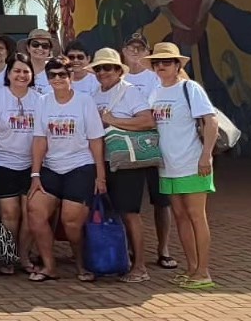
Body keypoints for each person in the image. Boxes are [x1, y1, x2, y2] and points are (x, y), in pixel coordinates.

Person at [145, 42, 219, 289]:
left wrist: (206, 156)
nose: (161, 66)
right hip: (167, 165)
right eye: (157, 63)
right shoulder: (155, 93)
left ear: (178, 65)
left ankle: (204, 272)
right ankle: (191, 270)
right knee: (179, 217)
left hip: (192, 162)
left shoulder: (190, 88)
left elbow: (211, 122)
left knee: (197, 216)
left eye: (167, 62)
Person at [27, 57, 106, 282]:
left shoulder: (84, 101)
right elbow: (40, 140)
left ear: (71, 75)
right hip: (51, 167)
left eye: (62, 74)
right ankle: (49, 266)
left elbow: (95, 140)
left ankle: (81, 263)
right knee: (35, 212)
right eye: (52, 75)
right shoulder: (43, 102)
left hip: (80, 166)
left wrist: (100, 175)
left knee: (71, 222)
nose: (58, 79)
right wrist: (35, 175)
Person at [90, 47, 157, 283]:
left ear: (119, 70)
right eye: (98, 69)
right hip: (102, 162)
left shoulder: (129, 92)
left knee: (130, 213)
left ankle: (140, 266)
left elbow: (148, 121)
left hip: (127, 164)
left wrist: (113, 121)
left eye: (107, 68)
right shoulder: (94, 93)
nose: (102, 72)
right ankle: (117, 260)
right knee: (109, 212)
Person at [0, 54, 43, 275]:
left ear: (32, 75)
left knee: (30, 213)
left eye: (26, 71)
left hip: (31, 166)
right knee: (9, 214)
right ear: (8, 74)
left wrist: (37, 169)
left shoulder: (40, 100)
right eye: (17, 71)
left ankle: (23, 256)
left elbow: (42, 138)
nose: (21, 75)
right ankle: (7, 255)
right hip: (2, 164)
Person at [120, 32, 176, 269]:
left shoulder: (154, 78)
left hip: (156, 146)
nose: (135, 51)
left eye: (140, 48)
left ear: (147, 52)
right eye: (131, 47)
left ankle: (163, 249)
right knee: (129, 203)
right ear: (123, 51)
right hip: (125, 148)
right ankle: (131, 248)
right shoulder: (116, 76)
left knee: (161, 201)